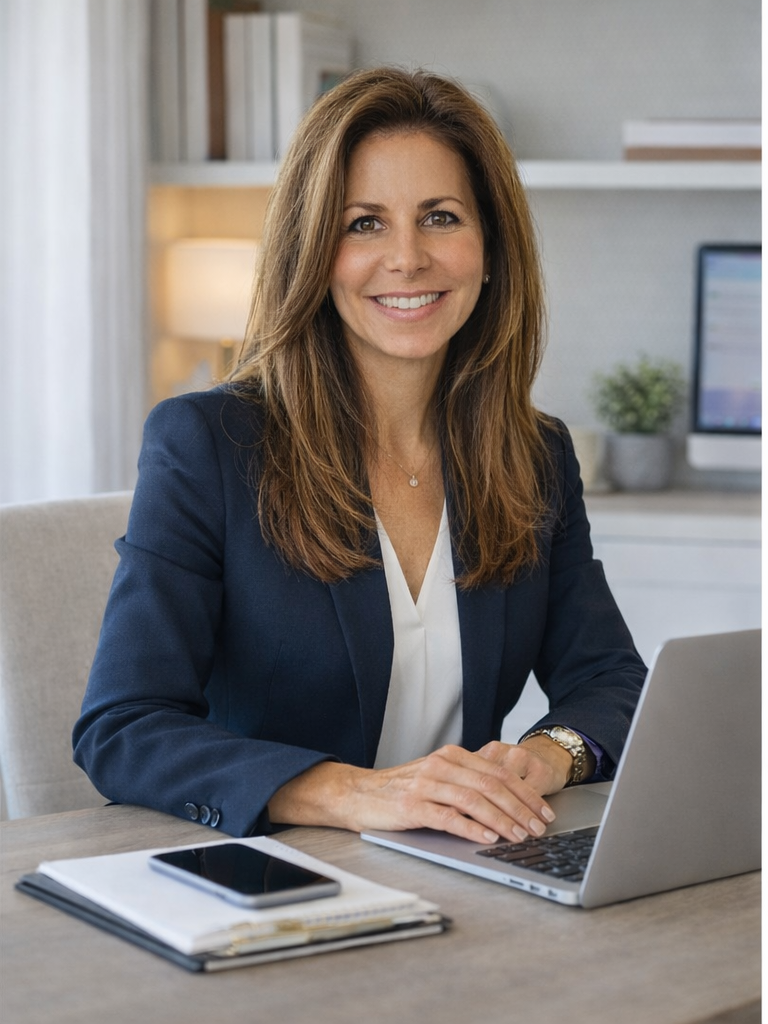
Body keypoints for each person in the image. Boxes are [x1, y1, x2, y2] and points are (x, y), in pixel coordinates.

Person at [73, 66, 646, 844]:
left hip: (461, 869)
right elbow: (123, 727)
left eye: (440, 217)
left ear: (490, 247)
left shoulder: (535, 454)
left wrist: (544, 758)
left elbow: (610, 678)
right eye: (364, 223)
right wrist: (354, 794)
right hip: (268, 877)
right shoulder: (208, 445)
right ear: (312, 250)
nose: (407, 259)